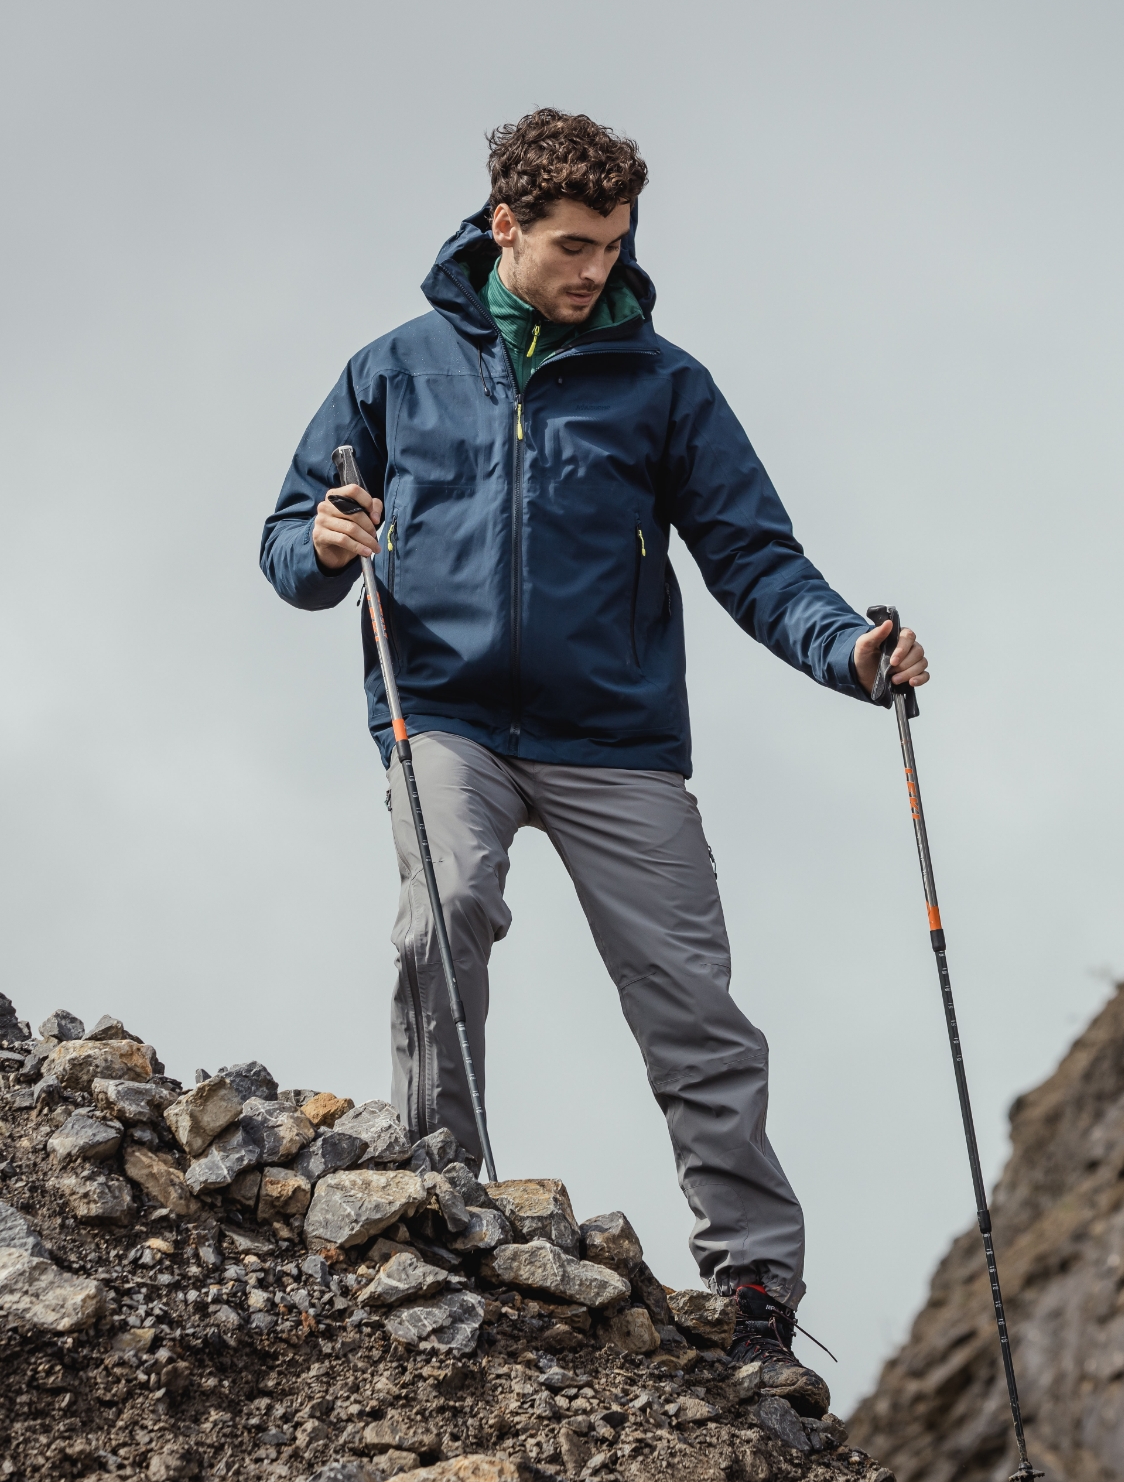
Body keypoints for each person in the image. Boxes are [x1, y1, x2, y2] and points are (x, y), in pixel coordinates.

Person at [256, 109, 926, 1416]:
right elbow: (291, 539)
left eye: (616, 244)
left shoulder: (662, 383)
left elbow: (753, 555)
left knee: (695, 1006)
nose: (598, 270)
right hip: (442, 715)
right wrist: (329, 548)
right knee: (441, 913)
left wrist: (850, 651)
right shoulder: (392, 371)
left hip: (615, 738)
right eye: (574, 245)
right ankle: (449, 1204)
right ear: (503, 226)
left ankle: (755, 1297)